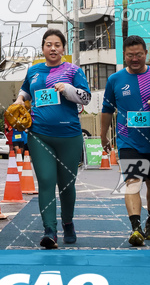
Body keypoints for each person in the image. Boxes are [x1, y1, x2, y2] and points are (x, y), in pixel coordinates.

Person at [13, 29, 91, 249]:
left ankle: (68, 222)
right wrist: (20, 99)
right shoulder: (34, 71)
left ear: (63, 48)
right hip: (39, 134)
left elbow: (87, 96)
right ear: (43, 47)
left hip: (69, 135)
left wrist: (68, 89)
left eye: (57, 44)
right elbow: (26, 91)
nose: (53, 48)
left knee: (67, 185)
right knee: (46, 181)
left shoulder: (73, 70)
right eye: (49, 44)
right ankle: (49, 230)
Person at [101, 35, 150, 247]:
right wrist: (103, 135)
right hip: (128, 141)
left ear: (146, 54)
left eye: (138, 55)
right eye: (130, 55)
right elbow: (107, 110)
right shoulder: (115, 80)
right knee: (132, 182)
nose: (134, 59)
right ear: (124, 56)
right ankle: (136, 229)